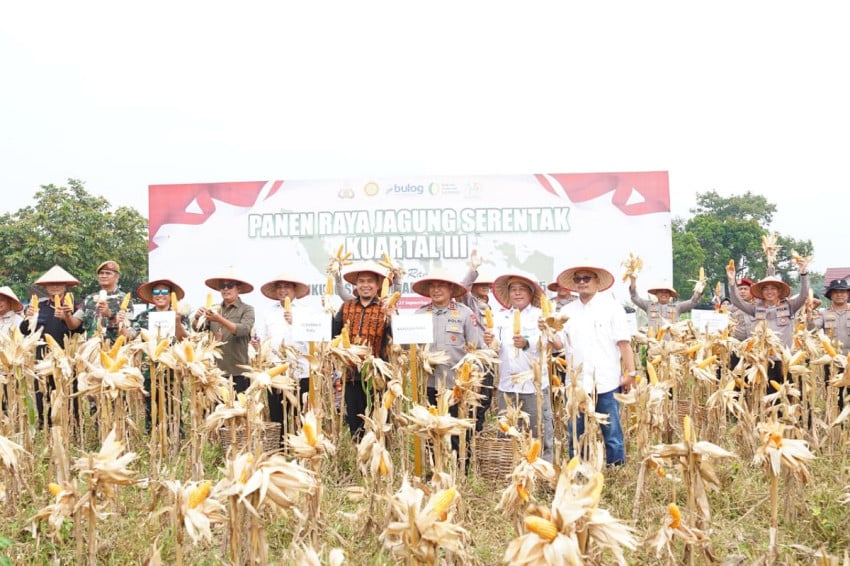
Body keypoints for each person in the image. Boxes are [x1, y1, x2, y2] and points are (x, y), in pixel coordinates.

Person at [558, 261, 637, 466]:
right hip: (576, 383)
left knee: (611, 431)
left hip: (606, 381)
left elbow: (624, 343)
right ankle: (578, 470)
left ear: (597, 282)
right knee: (576, 430)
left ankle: (616, 470)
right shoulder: (567, 311)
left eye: (587, 279)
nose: (582, 283)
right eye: (578, 279)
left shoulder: (612, 308)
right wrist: (547, 329)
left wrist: (631, 372)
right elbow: (557, 342)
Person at [483, 271, 559, 463]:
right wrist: (489, 341)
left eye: (521, 289)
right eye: (513, 290)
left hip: (533, 386)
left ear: (530, 293)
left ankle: (543, 470)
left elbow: (550, 343)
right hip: (507, 386)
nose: (517, 293)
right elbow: (495, 348)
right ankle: (511, 469)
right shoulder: (500, 318)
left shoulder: (541, 316)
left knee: (538, 431)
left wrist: (526, 343)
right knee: (508, 430)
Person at [412, 269, 484, 458]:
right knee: (431, 430)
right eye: (432, 286)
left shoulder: (464, 314)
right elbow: (407, 348)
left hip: (457, 385)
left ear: (451, 288)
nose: (436, 290)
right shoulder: (419, 314)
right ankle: (434, 468)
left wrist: (475, 381)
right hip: (428, 384)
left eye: (441, 286)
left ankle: (460, 470)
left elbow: (476, 350)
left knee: (456, 431)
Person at [332, 261, 393, 441]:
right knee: (355, 423)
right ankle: (359, 459)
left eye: (370, 281)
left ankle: (379, 458)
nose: (365, 285)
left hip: (377, 375)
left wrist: (392, 318)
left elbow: (396, 341)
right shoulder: (346, 307)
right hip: (351, 375)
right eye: (361, 281)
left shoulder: (385, 307)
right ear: (356, 285)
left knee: (378, 422)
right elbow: (333, 332)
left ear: (377, 285)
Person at [119, 278, 190, 430]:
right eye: (156, 292)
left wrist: (177, 322)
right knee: (150, 402)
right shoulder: (144, 316)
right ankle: (152, 433)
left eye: (164, 292)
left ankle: (175, 434)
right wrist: (122, 325)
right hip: (149, 365)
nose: (160, 295)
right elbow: (130, 336)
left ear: (171, 295)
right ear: (152, 296)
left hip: (173, 365)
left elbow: (185, 339)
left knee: (173, 401)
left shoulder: (180, 315)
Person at [726, 262, 810, 387]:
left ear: (779, 291)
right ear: (761, 292)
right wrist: (732, 282)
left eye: (773, 288)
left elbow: (803, 295)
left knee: (794, 395)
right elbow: (736, 301)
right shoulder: (755, 309)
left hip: (786, 360)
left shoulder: (790, 306)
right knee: (770, 396)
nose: (769, 292)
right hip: (765, 361)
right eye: (765, 288)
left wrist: (803, 274)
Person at [20, 265, 85, 426]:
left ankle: (72, 428)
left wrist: (66, 316)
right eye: (51, 284)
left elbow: (78, 329)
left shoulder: (75, 307)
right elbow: (25, 331)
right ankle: (45, 426)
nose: (55, 286)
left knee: (69, 393)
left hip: (66, 358)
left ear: (65, 286)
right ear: (46, 287)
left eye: (59, 283)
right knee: (43, 394)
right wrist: (28, 317)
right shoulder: (39, 307)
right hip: (42, 358)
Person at [255, 273, 312, 434]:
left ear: (294, 289)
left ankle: (298, 452)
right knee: (276, 415)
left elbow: (314, 341)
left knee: (299, 415)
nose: (282, 290)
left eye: (286, 286)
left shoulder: (306, 311)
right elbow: (263, 338)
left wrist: (295, 323)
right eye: (279, 287)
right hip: (275, 372)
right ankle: (279, 452)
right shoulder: (268, 313)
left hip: (301, 371)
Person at [193, 268, 256, 394]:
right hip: (216, 372)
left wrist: (219, 319)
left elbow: (243, 330)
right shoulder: (214, 309)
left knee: (239, 410)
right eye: (222, 286)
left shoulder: (247, 309)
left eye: (230, 285)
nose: (225, 289)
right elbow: (198, 328)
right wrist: (197, 317)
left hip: (238, 371)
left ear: (239, 289)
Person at [810, 278, 850, 408]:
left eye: (843, 291)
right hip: (833, 362)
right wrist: (809, 313)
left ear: (848, 294)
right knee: (834, 394)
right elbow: (811, 329)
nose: (839, 294)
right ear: (830, 295)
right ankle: (836, 423)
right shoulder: (823, 314)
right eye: (836, 292)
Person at [66, 260, 128, 343]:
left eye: (108, 273)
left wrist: (110, 315)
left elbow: (128, 331)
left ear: (117, 277)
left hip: (113, 350)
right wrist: (67, 315)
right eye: (101, 273)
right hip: (91, 349)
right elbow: (73, 325)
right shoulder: (90, 298)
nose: (103, 276)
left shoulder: (123, 299)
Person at [628, 275, 704, 337]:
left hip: (672, 346)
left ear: (670, 295)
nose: (663, 294)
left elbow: (692, 302)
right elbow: (635, 297)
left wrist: (699, 290)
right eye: (660, 292)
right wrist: (633, 280)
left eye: (666, 292)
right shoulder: (649, 305)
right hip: (653, 345)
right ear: (656, 294)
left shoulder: (678, 307)